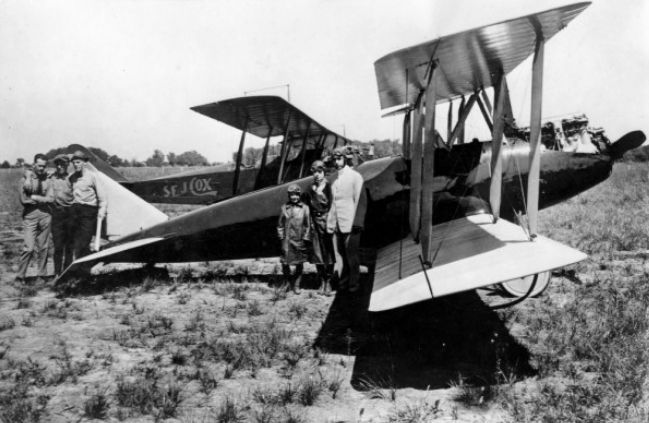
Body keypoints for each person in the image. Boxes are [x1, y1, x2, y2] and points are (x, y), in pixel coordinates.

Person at [327, 146, 364, 292]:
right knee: (340, 256)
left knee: (352, 255)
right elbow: (332, 203)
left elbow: (360, 202)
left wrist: (358, 222)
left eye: (339, 158)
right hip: (336, 223)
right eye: (334, 159)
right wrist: (330, 223)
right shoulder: (333, 179)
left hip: (351, 223)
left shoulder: (355, 177)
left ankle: (354, 282)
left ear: (345, 159)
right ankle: (344, 280)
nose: (336, 162)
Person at [16, 153, 52, 282]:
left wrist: (36, 198)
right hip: (30, 216)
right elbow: (23, 200)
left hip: (45, 215)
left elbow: (51, 198)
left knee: (44, 247)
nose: (41, 168)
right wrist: (42, 199)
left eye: (44, 166)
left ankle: (42, 274)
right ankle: (20, 276)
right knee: (29, 247)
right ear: (34, 164)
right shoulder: (25, 179)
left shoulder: (48, 179)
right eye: (39, 165)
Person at [69, 150, 107, 259]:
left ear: (85, 163)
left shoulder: (93, 176)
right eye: (74, 162)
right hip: (75, 210)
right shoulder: (72, 178)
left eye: (78, 162)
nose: (76, 165)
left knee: (84, 240)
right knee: (74, 240)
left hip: (88, 211)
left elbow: (102, 197)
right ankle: (74, 268)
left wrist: (101, 211)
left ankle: (83, 271)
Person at [303, 160, 335, 295]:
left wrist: (331, 222)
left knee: (329, 252)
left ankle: (329, 281)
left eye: (319, 172)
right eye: (314, 172)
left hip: (327, 221)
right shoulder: (310, 189)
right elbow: (306, 207)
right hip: (314, 223)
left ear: (324, 172)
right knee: (317, 253)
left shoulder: (329, 187)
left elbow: (333, 205)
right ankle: (321, 280)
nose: (317, 175)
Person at [277, 184, 311, 294]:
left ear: (299, 195)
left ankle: (296, 285)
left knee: (299, 263)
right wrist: (281, 237)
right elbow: (280, 224)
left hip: (299, 240)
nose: (294, 197)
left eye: (296, 195)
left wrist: (305, 238)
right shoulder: (284, 208)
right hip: (287, 240)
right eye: (292, 195)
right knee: (285, 262)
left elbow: (308, 225)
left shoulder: (305, 208)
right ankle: (287, 283)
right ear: (289, 196)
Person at [47, 154, 74, 276]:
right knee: (58, 246)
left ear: (67, 165)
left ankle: (67, 272)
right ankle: (57, 273)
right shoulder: (51, 177)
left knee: (69, 245)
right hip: (57, 214)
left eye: (62, 164)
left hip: (71, 214)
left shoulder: (73, 178)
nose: (59, 167)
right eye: (57, 164)